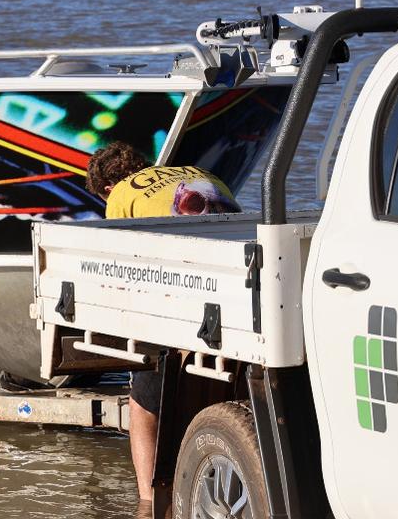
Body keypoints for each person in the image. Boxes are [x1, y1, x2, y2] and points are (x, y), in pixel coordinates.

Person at [85, 141, 241, 519]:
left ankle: (146, 501)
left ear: (106, 187)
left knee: (143, 396)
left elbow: (120, 264)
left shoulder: (122, 194)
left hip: (189, 289)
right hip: (236, 288)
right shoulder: (199, 174)